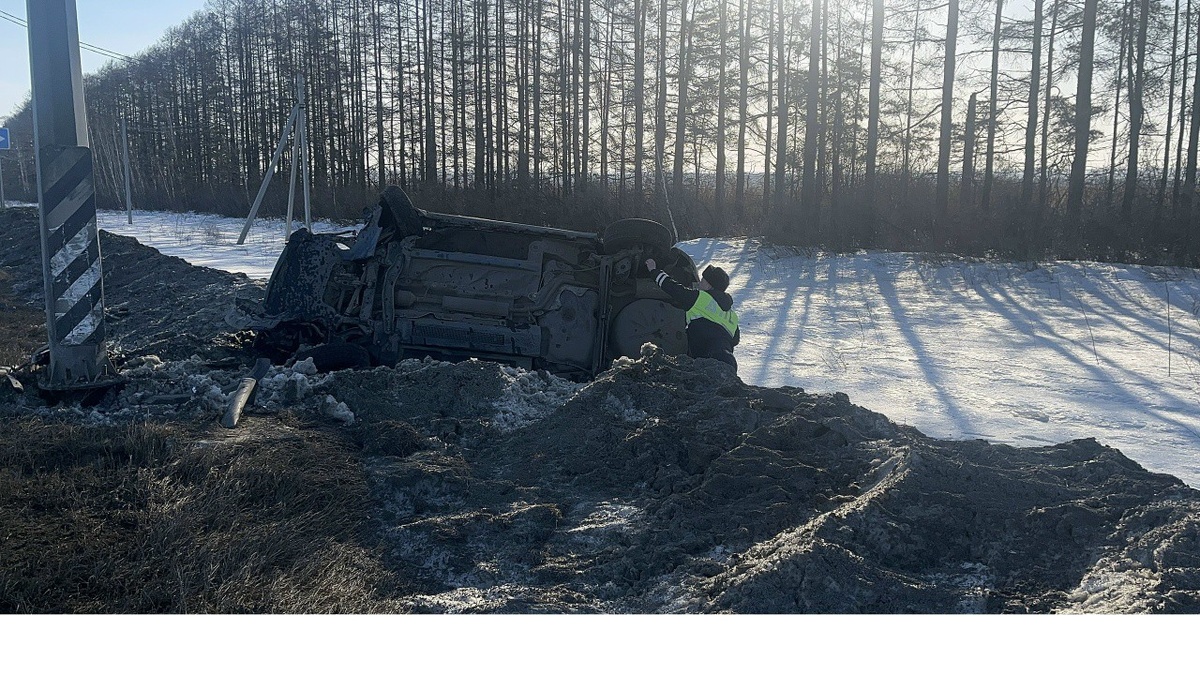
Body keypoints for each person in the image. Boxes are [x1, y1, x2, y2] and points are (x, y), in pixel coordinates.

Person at [644, 257, 740, 373]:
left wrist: (654, 271)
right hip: (728, 361)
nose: (700, 282)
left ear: (709, 285)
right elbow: (735, 340)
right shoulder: (731, 315)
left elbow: (673, 288)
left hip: (708, 359)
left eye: (703, 280)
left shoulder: (700, 298)